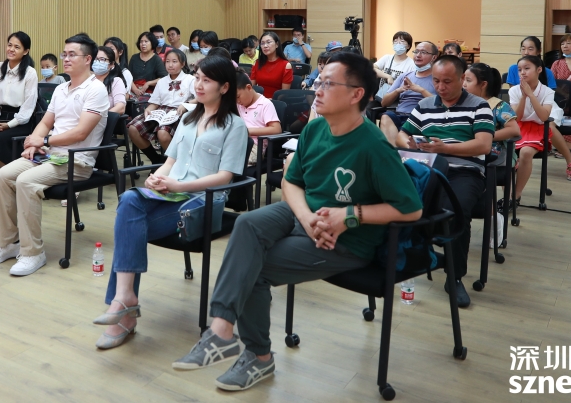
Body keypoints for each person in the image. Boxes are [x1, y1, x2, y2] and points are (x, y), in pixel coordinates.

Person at [172, 52, 422, 391]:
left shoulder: (373, 145)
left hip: (347, 240)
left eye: (328, 84)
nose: (317, 89)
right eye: (319, 81)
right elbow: (291, 182)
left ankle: (259, 357)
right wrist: (305, 217)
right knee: (247, 225)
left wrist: (350, 215)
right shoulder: (315, 128)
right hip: (305, 214)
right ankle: (221, 330)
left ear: (356, 94)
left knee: (254, 269)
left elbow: (411, 208)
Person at [92, 54, 248, 350]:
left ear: (225, 87)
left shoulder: (234, 126)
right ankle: (124, 298)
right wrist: (156, 178)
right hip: (171, 195)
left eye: (207, 80)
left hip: (203, 201)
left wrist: (179, 185)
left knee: (128, 227)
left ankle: (124, 313)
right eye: (197, 78)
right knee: (130, 199)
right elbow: (170, 161)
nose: (198, 85)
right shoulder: (188, 118)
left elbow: (225, 177)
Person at [0, 33, 109, 276]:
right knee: (2, 176)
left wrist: (45, 140)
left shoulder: (96, 89)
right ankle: (9, 244)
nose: (66, 59)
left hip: (76, 160)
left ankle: (33, 253)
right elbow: (46, 122)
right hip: (51, 155)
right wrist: (33, 142)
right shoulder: (61, 88)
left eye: (72, 55)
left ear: (88, 59)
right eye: (64, 54)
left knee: (25, 181)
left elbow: (81, 133)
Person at [397, 55, 494, 308]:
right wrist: (409, 144)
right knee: (397, 202)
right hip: (427, 168)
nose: (440, 87)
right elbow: (402, 134)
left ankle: (454, 276)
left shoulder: (479, 105)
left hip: (465, 170)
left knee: (455, 211)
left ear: (462, 79)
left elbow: (484, 145)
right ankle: (406, 257)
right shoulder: (425, 105)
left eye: (447, 82)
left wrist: (445, 148)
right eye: (436, 81)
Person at [510, 55, 571, 208]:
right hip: (520, 126)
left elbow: (543, 117)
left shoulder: (547, 91)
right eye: (520, 70)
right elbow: (517, 117)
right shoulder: (514, 90)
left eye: (527, 68)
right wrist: (523, 97)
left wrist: (530, 95)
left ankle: (516, 195)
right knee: (504, 152)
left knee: (526, 152)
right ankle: (509, 192)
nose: (522, 72)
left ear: (539, 70)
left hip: (539, 127)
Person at [0, 32, 39, 198]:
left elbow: (29, 106)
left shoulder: (30, 73)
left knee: (0, 139)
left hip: (20, 120)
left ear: (26, 51)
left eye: (17, 47)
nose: (11, 49)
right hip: (0, 115)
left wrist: (10, 124)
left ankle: (5, 184)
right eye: (9, 45)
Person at [127, 49, 195, 164]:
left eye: (174, 61)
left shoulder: (190, 79)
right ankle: (156, 160)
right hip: (161, 111)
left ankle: (176, 164)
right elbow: (155, 102)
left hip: (179, 112)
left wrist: (186, 105)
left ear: (183, 63)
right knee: (133, 128)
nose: (170, 65)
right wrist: (148, 109)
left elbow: (200, 98)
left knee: (162, 133)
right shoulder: (162, 81)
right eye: (167, 61)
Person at [463, 63, 520, 172]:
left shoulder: (499, 106)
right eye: (463, 79)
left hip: (492, 154)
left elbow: (514, 130)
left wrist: (485, 137)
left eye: (468, 80)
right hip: (465, 149)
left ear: (483, 84)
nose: (463, 84)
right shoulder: (462, 103)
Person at [379, 41, 438, 145]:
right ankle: (394, 153)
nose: (418, 55)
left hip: (423, 117)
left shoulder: (438, 78)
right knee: (386, 117)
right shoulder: (405, 76)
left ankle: (404, 151)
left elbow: (441, 104)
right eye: (416, 51)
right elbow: (384, 103)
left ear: (434, 57)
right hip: (401, 115)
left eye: (423, 52)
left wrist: (421, 90)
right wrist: (398, 90)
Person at [236, 70, 281, 165]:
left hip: (255, 147)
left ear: (249, 88)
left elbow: (276, 129)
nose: (237, 101)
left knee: (231, 160)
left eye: (238, 96)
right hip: (237, 142)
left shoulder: (265, 104)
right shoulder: (239, 105)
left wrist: (247, 131)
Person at [250, 31, 292, 99]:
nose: (265, 46)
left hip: (276, 102)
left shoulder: (286, 65)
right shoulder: (257, 63)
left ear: (277, 44)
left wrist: (268, 101)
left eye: (268, 42)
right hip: (259, 100)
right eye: (262, 43)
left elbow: (284, 94)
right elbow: (252, 88)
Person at [129, 32, 167, 99]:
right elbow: (128, 76)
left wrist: (148, 83)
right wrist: (135, 89)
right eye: (141, 42)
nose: (143, 44)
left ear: (152, 43)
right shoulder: (134, 58)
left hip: (151, 95)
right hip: (133, 94)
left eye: (146, 41)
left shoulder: (157, 59)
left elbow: (164, 78)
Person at [95, 46, 127, 115]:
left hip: (103, 119)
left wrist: (101, 117)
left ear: (111, 64)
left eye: (102, 59)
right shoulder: (88, 80)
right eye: (95, 59)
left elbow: (120, 107)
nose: (97, 62)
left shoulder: (116, 81)